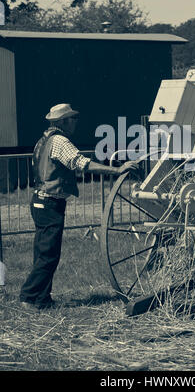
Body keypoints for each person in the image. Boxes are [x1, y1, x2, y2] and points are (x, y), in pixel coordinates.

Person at [19, 103, 138, 311]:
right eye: (73, 118)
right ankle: (29, 297)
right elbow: (81, 163)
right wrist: (116, 170)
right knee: (48, 254)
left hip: (40, 200)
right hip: (50, 202)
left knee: (43, 252)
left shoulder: (43, 140)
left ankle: (42, 298)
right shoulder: (60, 141)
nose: (76, 122)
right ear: (63, 121)